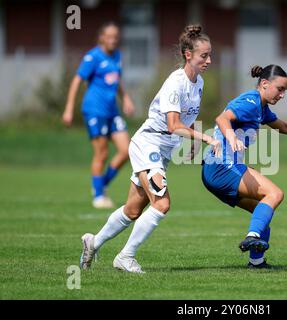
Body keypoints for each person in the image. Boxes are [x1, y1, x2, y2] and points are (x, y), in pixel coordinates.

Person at [79, 25, 219, 273]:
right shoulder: (175, 83)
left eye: (209, 55)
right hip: (148, 144)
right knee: (162, 203)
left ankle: (94, 242)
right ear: (188, 54)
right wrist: (205, 138)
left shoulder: (199, 83)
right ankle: (126, 256)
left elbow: (184, 123)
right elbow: (173, 125)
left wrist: (195, 141)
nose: (208, 60)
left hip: (161, 151)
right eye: (203, 56)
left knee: (132, 210)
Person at [202, 64, 287, 269]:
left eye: (285, 90)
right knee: (275, 194)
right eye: (280, 89)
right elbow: (222, 118)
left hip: (217, 168)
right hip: (221, 166)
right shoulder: (250, 101)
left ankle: (256, 262)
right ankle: (252, 237)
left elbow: (283, 126)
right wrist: (231, 136)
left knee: (263, 211)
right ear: (264, 84)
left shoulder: (261, 107)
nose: (282, 95)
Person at [62, 22, 135, 209]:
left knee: (127, 150)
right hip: (95, 110)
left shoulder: (118, 56)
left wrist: (125, 98)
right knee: (101, 153)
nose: (113, 40)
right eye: (109, 36)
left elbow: (117, 81)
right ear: (102, 37)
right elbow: (77, 81)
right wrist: (69, 108)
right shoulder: (92, 57)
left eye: (115, 37)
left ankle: (100, 185)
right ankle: (98, 196)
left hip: (112, 111)